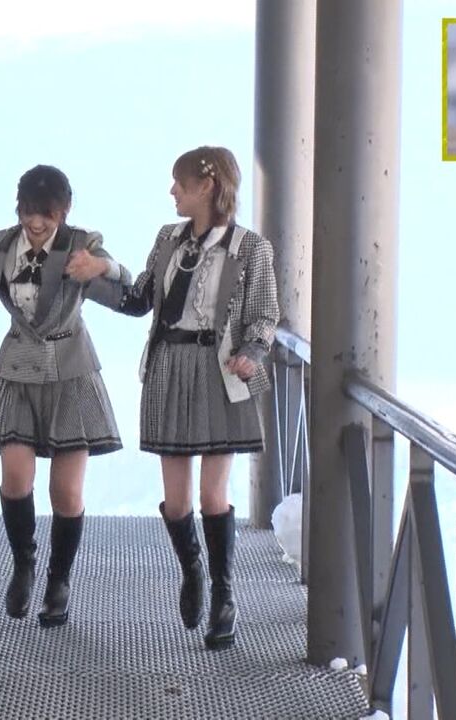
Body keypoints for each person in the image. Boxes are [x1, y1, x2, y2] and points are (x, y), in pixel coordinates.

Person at [92, 146, 278, 648]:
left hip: (220, 373)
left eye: (180, 182)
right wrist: (98, 276)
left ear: (208, 186)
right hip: (169, 368)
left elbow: (265, 315)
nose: (172, 191)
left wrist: (252, 353)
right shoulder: (167, 239)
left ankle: (224, 595)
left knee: (213, 495)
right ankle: (192, 568)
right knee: (176, 503)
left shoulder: (250, 247)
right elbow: (139, 299)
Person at [0, 164, 131, 627]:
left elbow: (129, 290)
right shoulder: (3, 243)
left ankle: (58, 580)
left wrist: (101, 267)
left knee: (65, 491)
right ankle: (23, 565)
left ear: (64, 211)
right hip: (17, 371)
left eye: (47, 214)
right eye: (28, 212)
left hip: (71, 372)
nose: (37, 222)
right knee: (14, 478)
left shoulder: (81, 242)